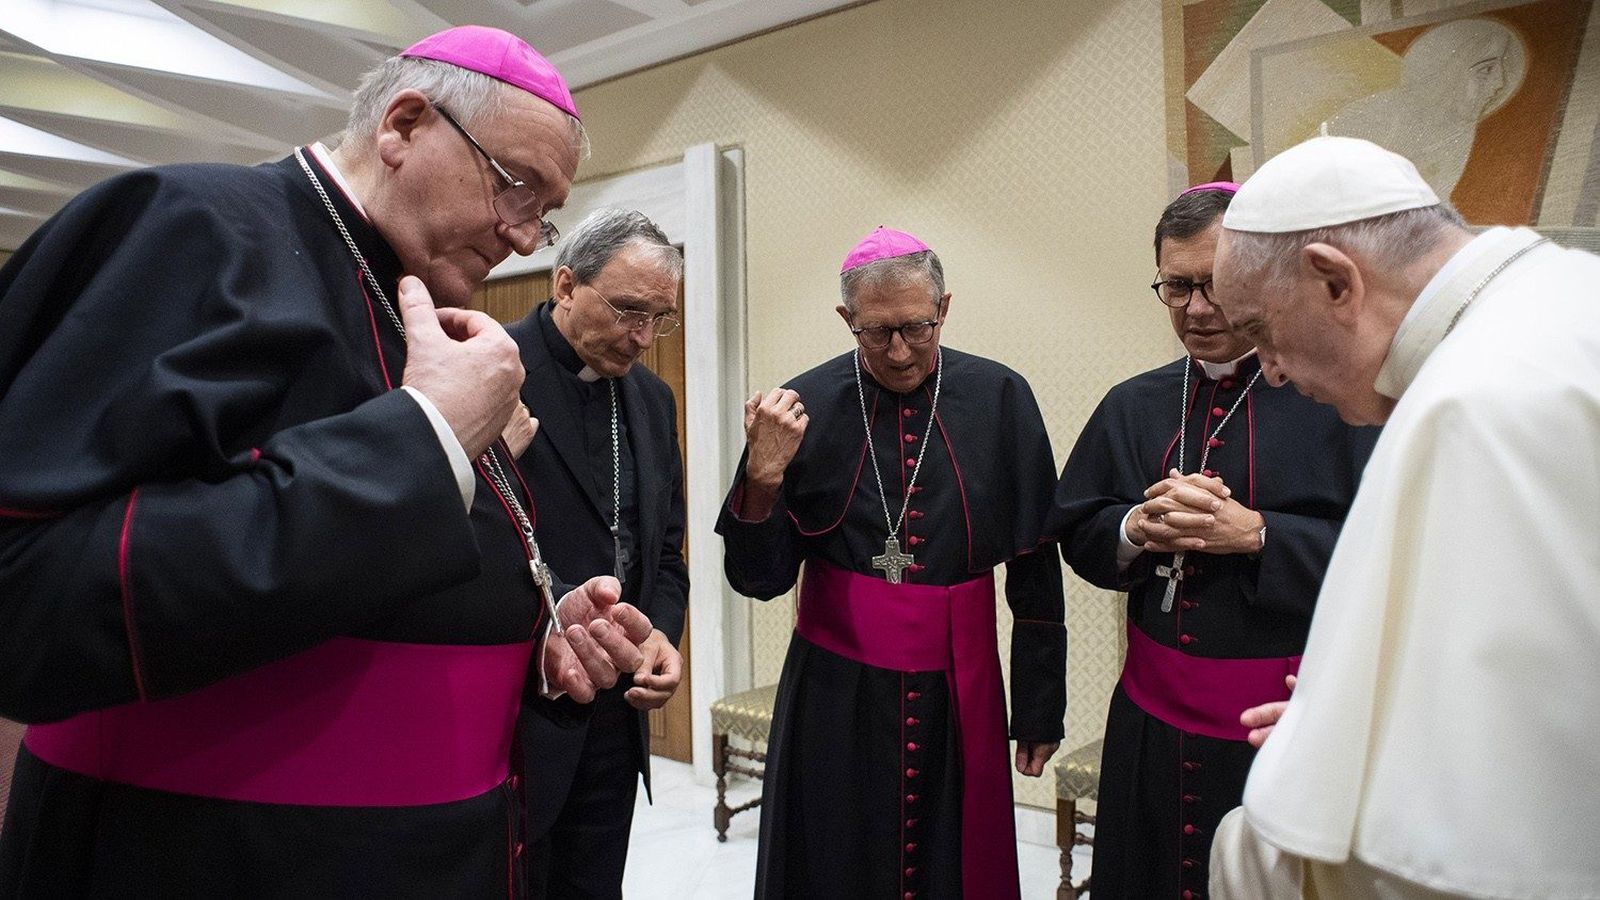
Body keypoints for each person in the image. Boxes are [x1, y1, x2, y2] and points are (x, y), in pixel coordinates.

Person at [0, 26, 656, 896]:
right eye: (515, 186)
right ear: (404, 124)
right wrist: (425, 439)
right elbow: (27, 592)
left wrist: (537, 631)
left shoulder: (416, 300)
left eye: (544, 210)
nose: (527, 236)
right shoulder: (193, 227)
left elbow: (364, 591)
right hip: (216, 855)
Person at [1205, 135, 1600, 897]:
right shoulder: (1567, 299)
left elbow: (1462, 847)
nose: (1274, 371)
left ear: (1334, 281)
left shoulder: (1477, 403)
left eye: (1260, 331)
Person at [715, 226, 1067, 899]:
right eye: (878, 333)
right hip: (832, 690)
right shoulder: (799, 407)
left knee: (952, 861)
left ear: (946, 308)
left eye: (918, 327)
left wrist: (1040, 708)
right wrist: (761, 479)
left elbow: (1033, 564)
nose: (901, 350)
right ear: (848, 320)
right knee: (834, 861)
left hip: (959, 685)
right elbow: (758, 582)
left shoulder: (1000, 398)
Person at [1048, 182, 1375, 898]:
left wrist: (1257, 534)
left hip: (1281, 726)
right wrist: (1136, 527)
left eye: (1214, 286)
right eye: (1176, 287)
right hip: (1151, 723)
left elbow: (1389, 559)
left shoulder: (1337, 399)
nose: (1195, 309)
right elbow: (1077, 529)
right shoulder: (1133, 403)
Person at [502, 207, 688, 898]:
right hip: (515, 712)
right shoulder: (494, 372)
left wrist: (663, 632)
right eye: (628, 310)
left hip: (615, 718)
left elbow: (662, 551)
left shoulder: (650, 398)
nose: (643, 337)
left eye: (659, 317)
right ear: (566, 285)